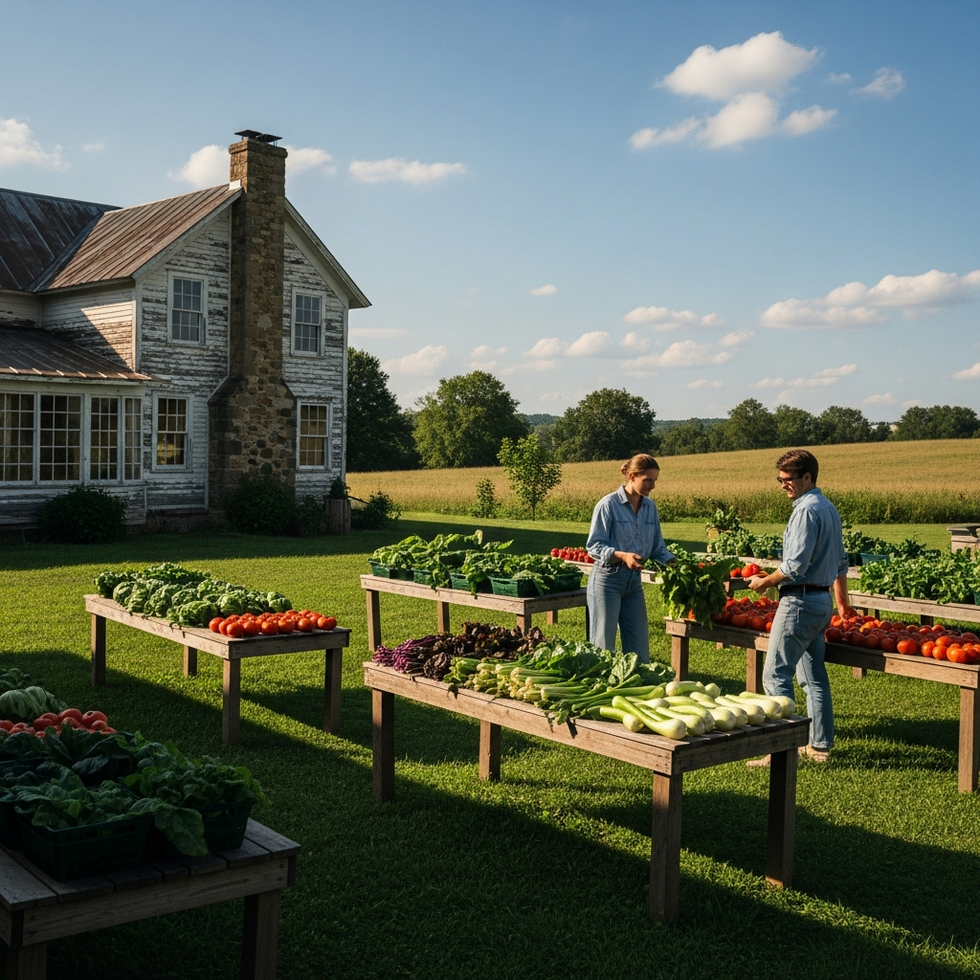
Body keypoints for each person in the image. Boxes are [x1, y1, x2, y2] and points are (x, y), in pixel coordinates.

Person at [745, 449, 855, 765]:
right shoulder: (828, 508)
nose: (783, 485)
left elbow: (795, 565)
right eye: (779, 479)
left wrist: (765, 581)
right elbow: (841, 562)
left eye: (788, 479)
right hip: (821, 602)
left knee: (775, 675)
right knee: (813, 678)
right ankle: (819, 748)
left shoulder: (806, 510)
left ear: (807, 477)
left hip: (800, 601)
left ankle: (781, 751)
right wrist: (842, 602)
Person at [586, 454, 674, 663]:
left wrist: (673, 563)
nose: (653, 486)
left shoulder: (650, 508)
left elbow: (657, 547)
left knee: (639, 650)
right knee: (603, 649)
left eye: (655, 480)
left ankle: (636, 680)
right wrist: (622, 555)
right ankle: (600, 682)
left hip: (633, 583)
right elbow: (593, 547)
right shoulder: (608, 505)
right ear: (632, 476)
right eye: (648, 480)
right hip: (607, 581)